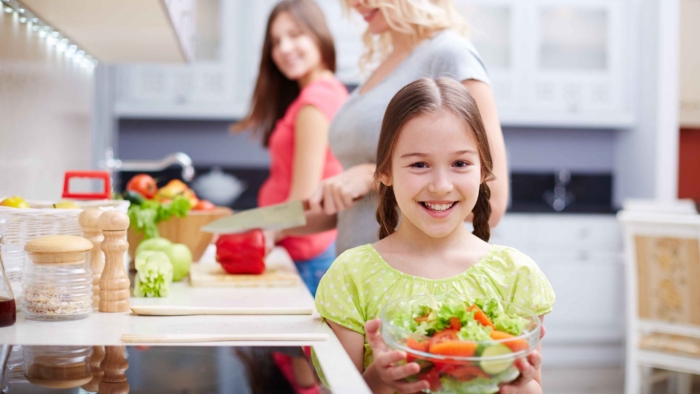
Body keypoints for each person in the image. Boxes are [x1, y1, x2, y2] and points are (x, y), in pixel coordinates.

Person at [314, 78, 555, 393]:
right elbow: (339, 389)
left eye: (459, 163)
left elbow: (533, 387)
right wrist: (379, 380)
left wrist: (519, 384)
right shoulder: (351, 277)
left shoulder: (516, 275)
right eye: (419, 164)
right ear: (384, 172)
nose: (441, 185)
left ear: (483, 171)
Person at [286, 0, 510, 256]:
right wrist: (274, 228)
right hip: (359, 279)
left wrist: (371, 176)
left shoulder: (450, 54)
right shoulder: (386, 63)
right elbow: (359, 210)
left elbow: (491, 202)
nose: (354, 3)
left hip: (410, 284)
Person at [233, 0, 348, 296]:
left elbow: (302, 200)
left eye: (295, 34)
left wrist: (260, 233)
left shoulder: (314, 102)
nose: (284, 48)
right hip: (307, 252)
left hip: (305, 257)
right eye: (276, 41)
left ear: (318, 34)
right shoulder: (329, 91)